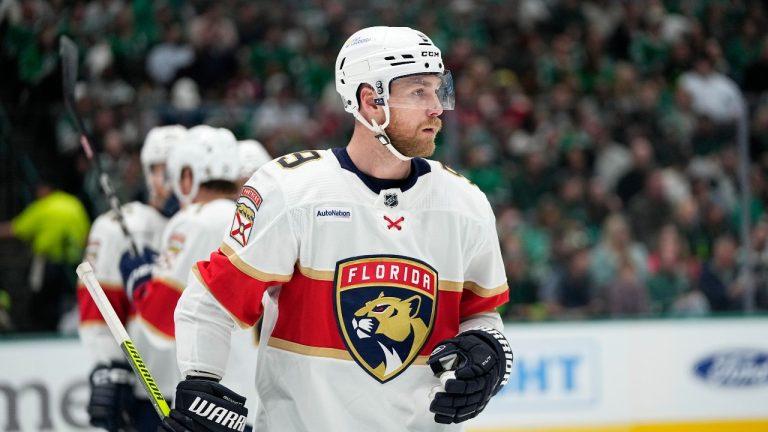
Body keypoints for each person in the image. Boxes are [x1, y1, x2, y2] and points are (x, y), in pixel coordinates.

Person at [163, 26, 513, 432]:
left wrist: (490, 351)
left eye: (438, 90)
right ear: (370, 100)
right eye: (419, 92)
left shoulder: (464, 203)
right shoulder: (290, 192)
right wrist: (200, 384)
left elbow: (482, 315)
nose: (437, 107)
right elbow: (210, 301)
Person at [119, 125, 263, 430]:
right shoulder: (258, 216)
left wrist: (138, 278)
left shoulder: (194, 221)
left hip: (216, 404)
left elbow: (157, 323)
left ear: (188, 176)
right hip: (261, 401)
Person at [77, 125, 187, 431]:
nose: (167, 180)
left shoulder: (206, 224)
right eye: (159, 169)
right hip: (147, 392)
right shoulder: (119, 227)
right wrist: (109, 365)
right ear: (147, 172)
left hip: (203, 392)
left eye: (176, 169)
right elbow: (97, 312)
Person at [0, 178, 91, 332]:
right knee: (67, 299)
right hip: (74, 264)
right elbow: (86, 235)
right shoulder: (73, 204)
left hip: (47, 263)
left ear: (45, 189)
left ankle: (43, 329)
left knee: (41, 299)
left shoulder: (44, 206)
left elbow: (16, 229)